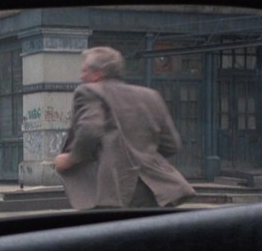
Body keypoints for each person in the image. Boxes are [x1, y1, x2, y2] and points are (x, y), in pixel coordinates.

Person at [54, 46, 195, 209]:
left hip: (115, 189)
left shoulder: (89, 91)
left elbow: (90, 129)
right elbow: (172, 145)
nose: (81, 76)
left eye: (84, 71)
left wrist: (71, 158)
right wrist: (142, 154)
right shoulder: (151, 96)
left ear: (97, 74)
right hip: (156, 190)